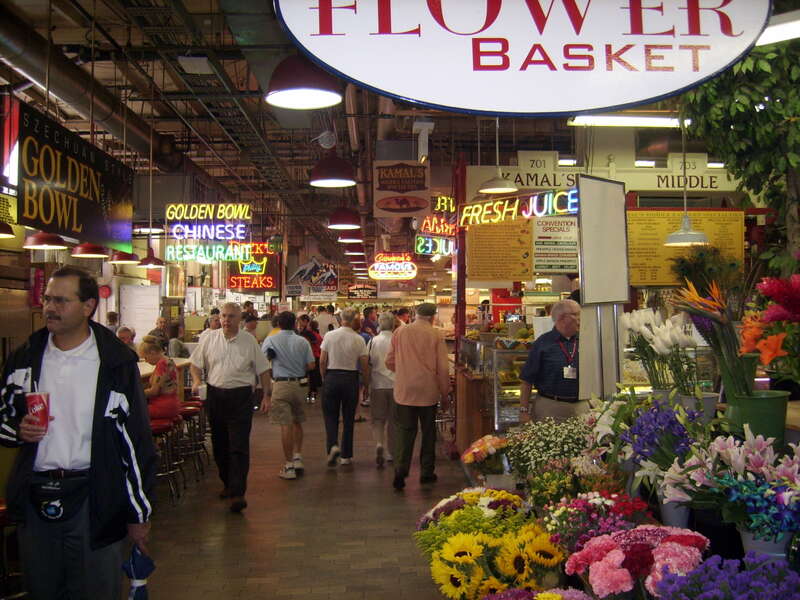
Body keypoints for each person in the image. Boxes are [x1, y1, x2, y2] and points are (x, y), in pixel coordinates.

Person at [0, 266, 156, 599]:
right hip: (36, 496)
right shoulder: (25, 359)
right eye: (47, 299)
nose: (50, 307)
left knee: (97, 589)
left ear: (88, 306)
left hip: (94, 496)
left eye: (61, 300)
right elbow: (2, 417)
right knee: (42, 590)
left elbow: (135, 442)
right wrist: (17, 430)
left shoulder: (114, 364)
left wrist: (138, 513)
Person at [189, 303, 269, 513]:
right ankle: (227, 482)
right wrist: (197, 380)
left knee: (239, 445)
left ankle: (238, 492)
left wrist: (266, 395)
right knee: (219, 443)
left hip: (241, 396)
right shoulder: (209, 339)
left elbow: (263, 369)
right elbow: (195, 364)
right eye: (223, 316)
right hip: (216, 395)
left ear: (240, 319)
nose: (226, 320)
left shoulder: (249, 340)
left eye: (231, 316)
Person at [386, 303, 450, 491]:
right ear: (433, 317)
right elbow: (443, 368)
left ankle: (400, 469)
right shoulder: (436, 335)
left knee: (404, 432)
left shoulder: (400, 332)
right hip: (428, 391)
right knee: (429, 433)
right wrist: (445, 394)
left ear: (416, 314)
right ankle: (426, 473)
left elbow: (389, 361)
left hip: (404, 391)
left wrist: (404, 370)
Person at [261, 311, 315, 480]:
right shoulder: (302, 341)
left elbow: (263, 363)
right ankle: (298, 456)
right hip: (300, 385)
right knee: (298, 421)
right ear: (295, 323)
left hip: (281, 384)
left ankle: (289, 465)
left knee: (286, 425)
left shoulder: (271, 340)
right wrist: (299, 369)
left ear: (278, 324)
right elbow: (311, 365)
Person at [519, 299, 585, 423]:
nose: (580, 319)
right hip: (549, 409)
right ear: (562, 318)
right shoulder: (542, 343)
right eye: (576, 315)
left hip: (582, 409)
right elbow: (527, 381)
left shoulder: (586, 340)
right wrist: (523, 411)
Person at [319, 308, 368, 467]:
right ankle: (346, 455)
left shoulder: (329, 336)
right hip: (350, 378)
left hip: (332, 376)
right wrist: (366, 383)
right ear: (354, 319)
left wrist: (324, 376)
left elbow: (322, 360)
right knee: (348, 418)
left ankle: (332, 446)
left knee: (330, 416)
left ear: (340, 319)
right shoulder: (359, 339)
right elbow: (364, 364)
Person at [367, 312, 397, 468]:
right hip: (396, 385)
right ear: (393, 325)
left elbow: (368, 362)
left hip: (377, 384)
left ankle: (379, 444)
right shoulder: (397, 340)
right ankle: (391, 452)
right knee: (394, 420)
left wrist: (365, 385)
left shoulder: (373, 341)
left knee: (378, 420)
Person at [140, 335, 180, 421]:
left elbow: (154, 391)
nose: (146, 361)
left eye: (146, 357)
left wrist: (137, 393)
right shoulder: (168, 360)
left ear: (153, 352)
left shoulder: (161, 364)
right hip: (173, 403)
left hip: (163, 406)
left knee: (132, 412)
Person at [297, 315, 323, 403]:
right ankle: (311, 393)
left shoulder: (308, 333)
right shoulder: (310, 332)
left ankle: (310, 393)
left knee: (308, 375)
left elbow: (314, 341)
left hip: (310, 356)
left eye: (300, 321)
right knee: (311, 376)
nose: (298, 323)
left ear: (305, 321)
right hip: (313, 356)